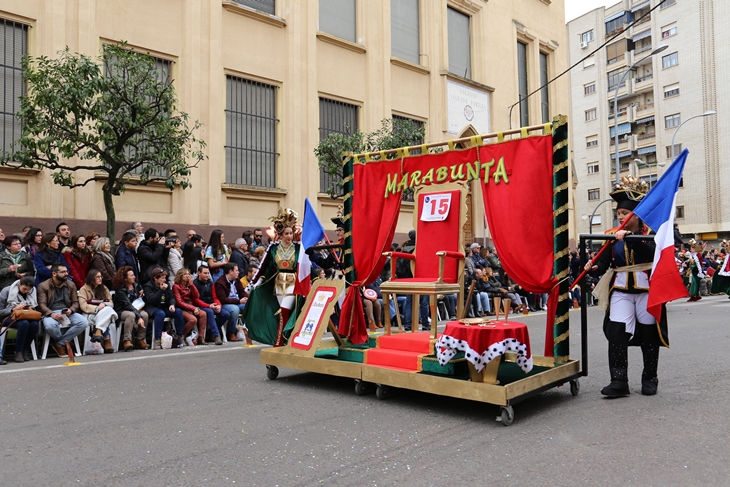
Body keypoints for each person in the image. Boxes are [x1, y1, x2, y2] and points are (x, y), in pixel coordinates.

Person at [584, 176, 666, 397]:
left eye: (624, 213)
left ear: (637, 215)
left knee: (649, 335)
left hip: (647, 291)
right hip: (620, 290)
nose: (620, 216)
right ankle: (619, 381)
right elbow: (605, 263)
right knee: (617, 334)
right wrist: (594, 267)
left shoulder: (652, 234)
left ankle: (650, 378)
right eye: (618, 213)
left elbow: (650, 255)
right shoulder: (611, 236)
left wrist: (630, 238)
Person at [242, 210, 304, 347]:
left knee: (284, 310)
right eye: (286, 233)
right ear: (280, 235)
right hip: (278, 284)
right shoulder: (274, 248)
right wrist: (256, 283)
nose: (289, 236)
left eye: (291, 233)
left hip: (293, 283)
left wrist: (315, 279)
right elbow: (265, 267)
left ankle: (280, 341)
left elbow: (306, 266)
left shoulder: (299, 248)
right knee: (281, 311)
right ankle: (288, 339)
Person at [37, 262, 89, 358]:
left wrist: (71, 310)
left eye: (66, 271)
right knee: (50, 326)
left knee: (83, 322)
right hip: (50, 312)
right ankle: (62, 343)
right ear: (54, 273)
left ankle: (59, 343)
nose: (66, 274)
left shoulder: (71, 284)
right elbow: (41, 305)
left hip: (67, 312)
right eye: (63, 272)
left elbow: (75, 302)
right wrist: (51, 314)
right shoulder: (43, 286)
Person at [173, 268, 221, 345]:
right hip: (182, 308)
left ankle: (201, 337)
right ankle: (181, 336)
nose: (187, 276)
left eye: (189, 274)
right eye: (185, 274)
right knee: (193, 320)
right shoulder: (176, 286)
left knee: (203, 314)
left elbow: (196, 296)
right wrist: (194, 308)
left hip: (191, 306)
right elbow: (179, 302)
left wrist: (192, 285)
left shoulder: (190, 285)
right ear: (180, 276)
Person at [0, 276, 41, 363]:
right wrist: (13, 309)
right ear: (19, 284)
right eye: (24, 289)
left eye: (28, 290)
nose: (26, 291)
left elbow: (35, 306)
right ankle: (18, 351)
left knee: (35, 324)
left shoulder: (32, 292)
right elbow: (0, 310)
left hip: (26, 315)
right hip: (8, 317)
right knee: (24, 323)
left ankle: (25, 350)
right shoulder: (7, 291)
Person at [143, 267, 185, 350]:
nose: (164, 280)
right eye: (162, 278)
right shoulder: (148, 286)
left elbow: (171, 297)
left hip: (164, 307)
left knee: (178, 312)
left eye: (165, 277)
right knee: (160, 314)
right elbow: (152, 300)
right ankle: (157, 339)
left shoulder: (167, 285)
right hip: (153, 308)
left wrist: (172, 304)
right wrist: (161, 290)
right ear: (155, 278)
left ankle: (180, 336)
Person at [111, 266, 150, 351]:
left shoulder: (136, 286)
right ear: (125, 278)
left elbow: (141, 301)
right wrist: (138, 317)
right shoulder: (120, 290)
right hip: (122, 310)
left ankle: (140, 339)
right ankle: (127, 340)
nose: (134, 277)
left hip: (136, 308)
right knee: (131, 315)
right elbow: (127, 305)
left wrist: (142, 295)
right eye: (131, 276)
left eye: (133, 275)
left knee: (145, 315)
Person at [78, 269, 117, 353]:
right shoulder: (83, 289)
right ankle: (107, 339)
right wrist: (96, 308)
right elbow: (83, 305)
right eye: (97, 277)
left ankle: (98, 331)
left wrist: (104, 305)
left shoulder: (104, 288)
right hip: (90, 314)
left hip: (103, 312)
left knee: (108, 310)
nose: (100, 279)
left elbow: (111, 302)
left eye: (101, 276)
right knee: (109, 315)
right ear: (92, 278)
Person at [193, 265, 231, 340]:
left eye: (208, 273)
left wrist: (218, 305)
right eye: (205, 273)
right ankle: (216, 335)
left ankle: (212, 330)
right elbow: (196, 300)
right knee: (210, 312)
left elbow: (215, 297)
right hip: (201, 306)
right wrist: (209, 306)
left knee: (226, 314)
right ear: (199, 273)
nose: (207, 275)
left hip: (211, 305)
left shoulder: (210, 283)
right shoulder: (194, 284)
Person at [214, 262, 248, 342]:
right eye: (236, 270)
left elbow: (242, 291)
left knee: (248, 306)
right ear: (231, 272)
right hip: (226, 304)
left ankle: (246, 329)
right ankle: (231, 333)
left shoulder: (237, 279)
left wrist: (245, 297)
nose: (238, 272)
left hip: (237, 301)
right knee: (235, 309)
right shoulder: (220, 283)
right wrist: (239, 301)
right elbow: (223, 299)